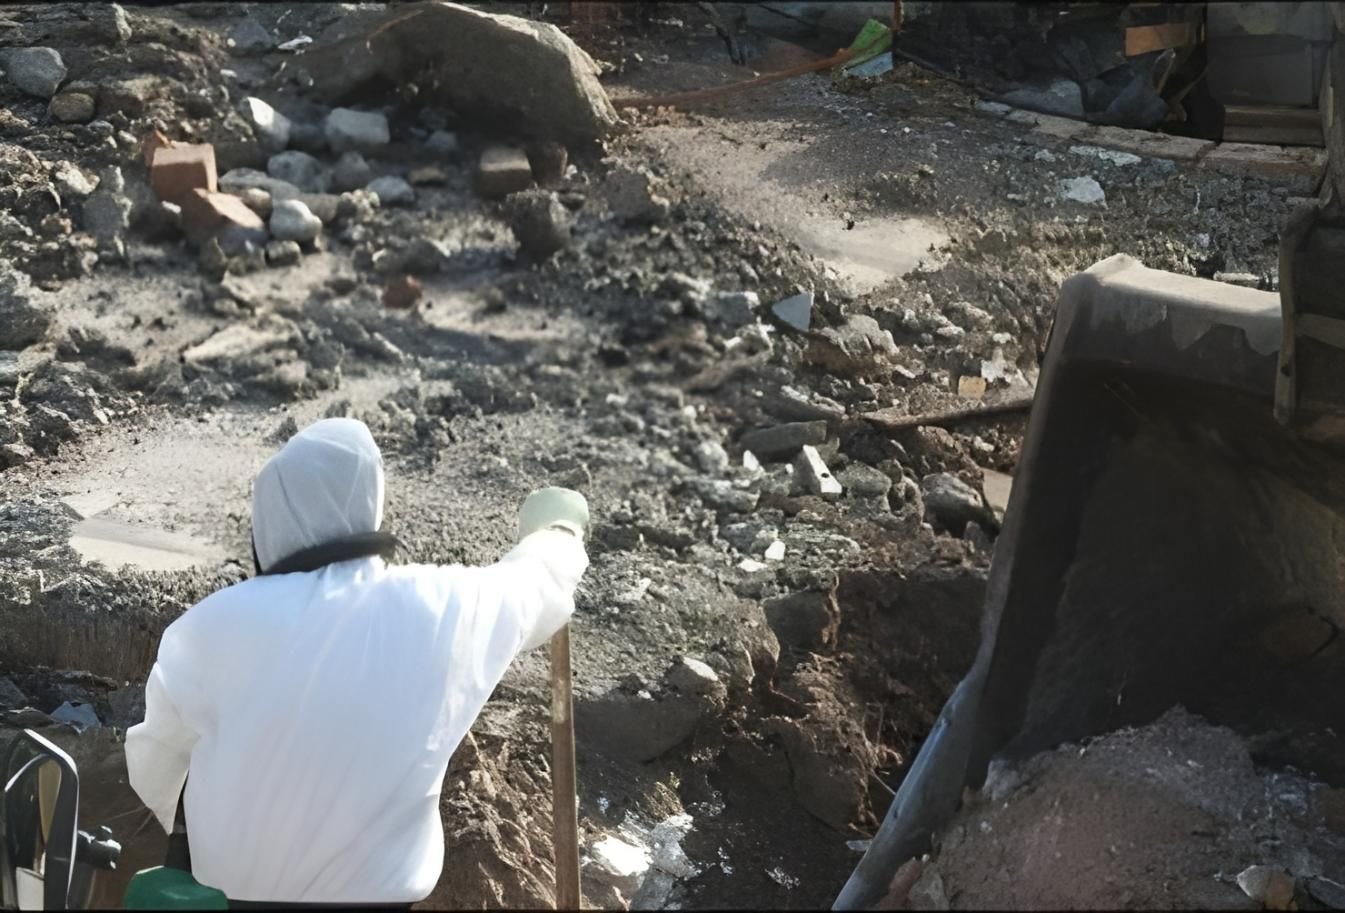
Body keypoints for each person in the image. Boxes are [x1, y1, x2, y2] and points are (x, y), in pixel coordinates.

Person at [124, 417, 589, 906]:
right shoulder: (441, 605)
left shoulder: (210, 625)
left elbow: (157, 761)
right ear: (373, 501)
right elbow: (538, 581)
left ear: (270, 513)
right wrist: (558, 528)